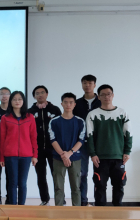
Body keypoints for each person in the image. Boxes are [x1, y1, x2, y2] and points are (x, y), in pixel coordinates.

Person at [87, 85, 132, 207]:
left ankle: (117, 212)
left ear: (113, 95)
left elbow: (128, 133)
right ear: (98, 97)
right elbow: (89, 136)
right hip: (99, 158)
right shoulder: (92, 114)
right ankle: (100, 213)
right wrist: (92, 154)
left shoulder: (122, 113)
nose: (106, 97)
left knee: (119, 185)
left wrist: (127, 151)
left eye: (109, 94)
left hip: (118, 156)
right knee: (100, 186)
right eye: (103, 94)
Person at [0, 91, 38, 205]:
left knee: (22, 183)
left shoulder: (30, 117)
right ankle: (12, 206)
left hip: (26, 155)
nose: (17, 101)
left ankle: (21, 207)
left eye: (20, 99)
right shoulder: (5, 118)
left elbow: (33, 137)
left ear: (23, 101)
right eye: (14, 99)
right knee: (12, 182)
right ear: (10, 101)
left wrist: (35, 155)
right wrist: (2, 157)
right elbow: (2, 139)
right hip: (10, 155)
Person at [49, 93, 86, 206]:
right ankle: (59, 211)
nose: (68, 105)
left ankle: (77, 211)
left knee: (76, 187)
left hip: (75, 158)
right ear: (61, 104)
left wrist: (69, 153)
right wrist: (63, 155)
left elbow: (81, 140)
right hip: (58, 158)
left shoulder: (80, 121)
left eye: (71, 102)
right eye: (65, 102)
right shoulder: (54, 121)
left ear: (74, 104)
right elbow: (52, 139)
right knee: (58, 187)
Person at [28, 85, 62, 206]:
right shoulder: (30, 112)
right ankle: (45, 199)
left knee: (56, 175)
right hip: (37, 150)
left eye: (42, 92)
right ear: (34, 96)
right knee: (41, 176)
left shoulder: (55, 109)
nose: (40, 95)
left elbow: (60, 128)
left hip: (53, 149)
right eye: (37, 93)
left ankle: (60, 200)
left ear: (47, 94)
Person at [73, 75, 102, 206]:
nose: (87, 85)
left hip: (99, 143)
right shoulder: (77, 103)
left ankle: (98, 201)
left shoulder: (101, 102)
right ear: (82, 85)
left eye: (90, 83)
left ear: (94, 85)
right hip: (82, 143)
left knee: (99, 174)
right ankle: (83, 201)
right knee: (82, 173)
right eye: (85, 83)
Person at [0, 87, 12, 204]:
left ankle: (9, 197)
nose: (4, 96)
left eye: (6, 94)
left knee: (10, 175)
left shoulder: (14, 111)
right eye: (1, 94)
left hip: (10, 146)